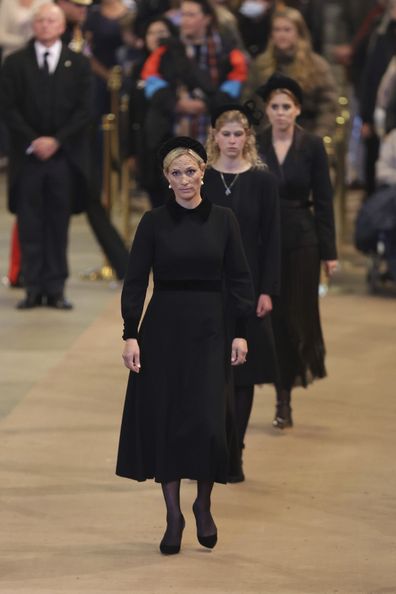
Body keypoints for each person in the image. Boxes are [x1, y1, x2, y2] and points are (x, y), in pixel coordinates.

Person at [116, 136, 254, 554]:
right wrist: (130, 333)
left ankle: (203, 505)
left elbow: (241, 277)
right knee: (169, 422)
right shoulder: (153, 222)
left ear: (203, 172)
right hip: (163, 331)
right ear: (166, 178)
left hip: (210, 328)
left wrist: (241, 329)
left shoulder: (224, 220)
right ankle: (173, 515)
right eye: (175, 173)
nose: (184, 180)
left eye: (191, 171)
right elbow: (136, 281)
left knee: (209, 422)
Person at [255, 74, 338, 428]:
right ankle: (279, 394)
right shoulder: (255, 143)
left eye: (286, 106)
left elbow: (324, 200)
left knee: (294, 316)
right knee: (269, 317)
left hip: (302, 239)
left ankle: (284, 396)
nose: (280, 113)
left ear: (298, 109)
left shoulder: (313, 146)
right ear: (267, 110)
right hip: (263, 240)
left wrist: (329, 252)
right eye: (274, 106)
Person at [203, 103, 281, 480]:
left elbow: (272, 240)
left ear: (248, 138)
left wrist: (268, 289)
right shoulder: (200, 179)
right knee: (208, 371)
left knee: (244, 372)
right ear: (214, 137)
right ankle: (213, 447)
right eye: (226, 134)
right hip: (206, 288)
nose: (233, 141)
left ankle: (236, 450)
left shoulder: (263, 182)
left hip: (247, 288)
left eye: (239, 134)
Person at [0, 2, 93, 309]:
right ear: (33, 25)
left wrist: (57, 141)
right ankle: (32, 287)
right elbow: (8, 107)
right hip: (27, 156)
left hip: (63, 157)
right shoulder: (15, 63)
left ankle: (55, 288)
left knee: (57, 223)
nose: (45, 26)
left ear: (61, 26)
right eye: (40, 21)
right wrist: (34, 140)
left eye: (51, 21)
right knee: (30, 223)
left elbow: (84, 109)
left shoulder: (77, 63)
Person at [247, 6, 338, 140]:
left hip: (305, 139)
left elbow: (329, 106)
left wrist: (316, 138)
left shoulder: (316, 65)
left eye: (287, 30)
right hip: (265, 140)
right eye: (277, 30)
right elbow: (249, 101)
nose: (281, 34)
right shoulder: (260, 65)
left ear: (299, 33)